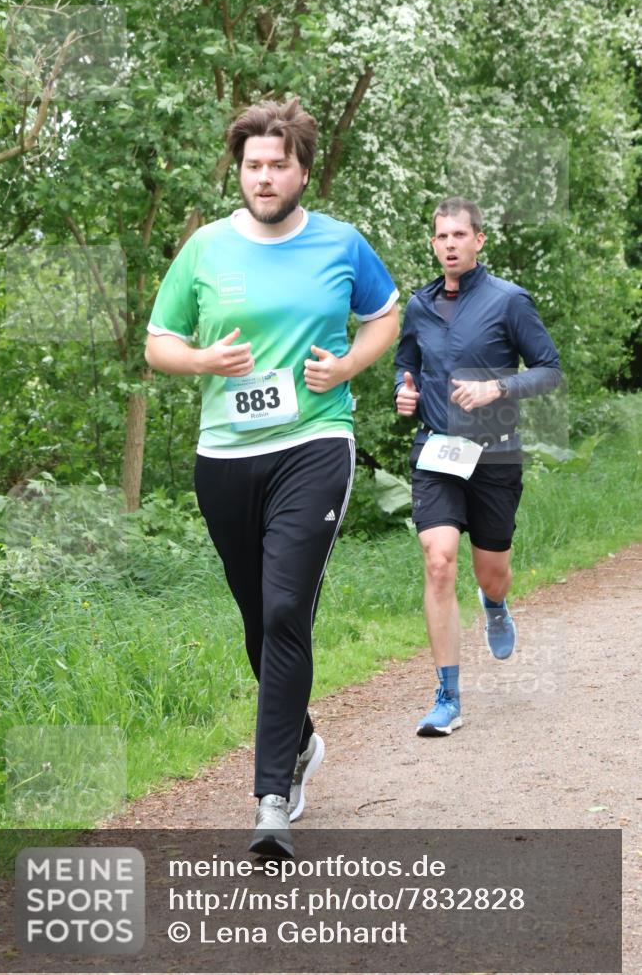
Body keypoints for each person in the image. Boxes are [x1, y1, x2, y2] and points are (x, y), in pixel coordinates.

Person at [145, 99, 399, 856]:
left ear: (301, 170)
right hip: (225, 455)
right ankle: (302, 739)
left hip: (314, 442)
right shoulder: (205, 249)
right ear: (240, 169)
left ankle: (270, 799)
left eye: (277, 164)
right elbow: (160, 342)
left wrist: (349, 364)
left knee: (288, 606)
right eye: (252, 165)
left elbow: (384, 314)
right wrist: (203, 361)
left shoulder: (341, 243)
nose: (263, 176)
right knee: (260, 623)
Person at [394, 197, 562, 738]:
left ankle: (495, 604)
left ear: (478, 241)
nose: (449, 245)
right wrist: (403, 389)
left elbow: (549, 370)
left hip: (495, 456)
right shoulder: (418, 306)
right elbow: (407, 362)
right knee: (439, 561)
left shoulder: (509, 301)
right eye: (441, 236)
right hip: (437, 453)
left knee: (491, 571)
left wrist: (498, 387)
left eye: (459, 236)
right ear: (433, 242)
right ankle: (447, 696)